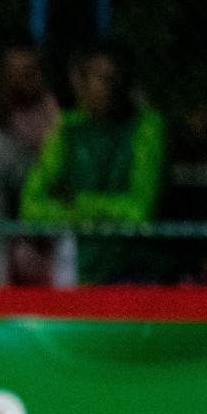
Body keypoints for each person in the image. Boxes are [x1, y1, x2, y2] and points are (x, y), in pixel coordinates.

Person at [18, 42, 166, 286]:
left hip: (131, 265)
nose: (110, 88)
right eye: (100, 78)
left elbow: (141, 211)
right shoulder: (66, 129)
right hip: (76, 265)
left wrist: (76, 203)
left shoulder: (147, 128)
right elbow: (31, 207)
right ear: (79, 82)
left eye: (115, 78)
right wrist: (103, 213)